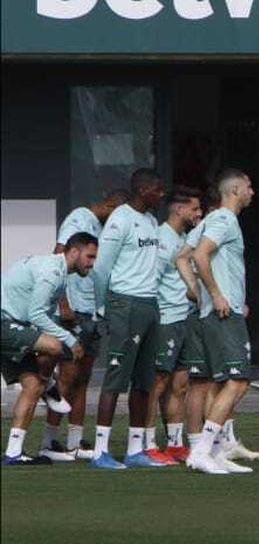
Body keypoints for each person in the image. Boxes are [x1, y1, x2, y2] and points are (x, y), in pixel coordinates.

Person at [87, 169, 169, 470]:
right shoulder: (120, 219)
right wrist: (103, 307)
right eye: (158, 190)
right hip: (125, 304)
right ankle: (100, 451)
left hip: (150, 304)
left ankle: (136, 450)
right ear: (143, 189)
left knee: (144, 381)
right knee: (115, 379)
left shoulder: (150, 221)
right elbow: (101, 269)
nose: (162, 195)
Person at [40, 188, 127, 462]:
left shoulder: (99, 227)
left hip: (92, 312)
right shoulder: (79, 218)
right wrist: (63, 304)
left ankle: (75, 441)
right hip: (74, 311)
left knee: (83, 378)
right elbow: (57, 255)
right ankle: (49, 441)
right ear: (111, 205)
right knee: (66, 377)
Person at [187, 169, 259, 475]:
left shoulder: (210, 220)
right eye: (249, 186)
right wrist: (217, 295)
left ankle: (214, 452)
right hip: (223, 313)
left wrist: (198, 294)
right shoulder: (224, 219)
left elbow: (183, 256)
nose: (252, 192)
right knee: (238, 381)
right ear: (234, 190)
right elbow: (201, 256)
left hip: (217, 310)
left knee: (221, 384)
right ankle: (203, 451)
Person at [2, 234, 98, 465]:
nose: (92, 263)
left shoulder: (58, 272)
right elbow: (36, 314)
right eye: (90, 256)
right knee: (55, 345)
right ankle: (51, 385)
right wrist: (70, 339)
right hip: (5, 323)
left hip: (13, 323)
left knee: (32, 385)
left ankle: (13, 453)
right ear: (73, 252)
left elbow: (38, 312)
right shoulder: (53, 272)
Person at [147, 186, 203, 465]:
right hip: (166, 321)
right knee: (157, 383)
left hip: (185, 319)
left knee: (180, 385)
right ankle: (145, 443)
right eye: (195, 208)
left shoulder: (184, 239)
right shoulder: (161, 239)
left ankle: (174, 443)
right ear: (179, 209)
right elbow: (151, 282)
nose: (199, 213)